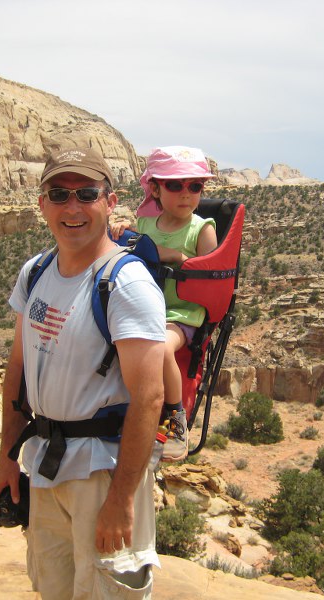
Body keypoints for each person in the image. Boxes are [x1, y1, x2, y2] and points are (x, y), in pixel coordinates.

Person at [0, 147, 167, 599]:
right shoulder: (35, 273)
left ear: (110, 202)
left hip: (102, 473)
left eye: (86, 193)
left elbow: (148, 397)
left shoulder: (125, 284)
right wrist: (7, 456)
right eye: (59, 194)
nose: (72, 207)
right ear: (42, 204)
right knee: (52, 588)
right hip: (46, 467)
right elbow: (17, 369)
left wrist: (122, 499)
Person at [111, 146, 217, 461]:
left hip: (182, 314)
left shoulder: (202, 229)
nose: (186, 193)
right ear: (155, 188)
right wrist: (121, 230)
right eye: (175, 185)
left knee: (158, 345)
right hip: (146, 308)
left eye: (195, 186)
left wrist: (176, 257)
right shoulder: (145, 227)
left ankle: (175, 418)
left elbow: (210, 277)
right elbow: (129, 246)